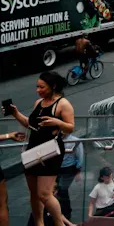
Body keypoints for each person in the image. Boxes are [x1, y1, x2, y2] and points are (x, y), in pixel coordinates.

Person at [10, 71, 74, 226]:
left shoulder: (62, 104)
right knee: (34, 193)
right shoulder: (38, 103)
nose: (38, 90)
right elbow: (31, 125)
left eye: (42, 87)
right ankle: (39, 223)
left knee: (45, 194)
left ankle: (59, 223)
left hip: (50, 150)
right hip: (34, 148)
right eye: (37, 87)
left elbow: (70, 128)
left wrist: (57, 122)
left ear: (52, 86)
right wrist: (16, 113)